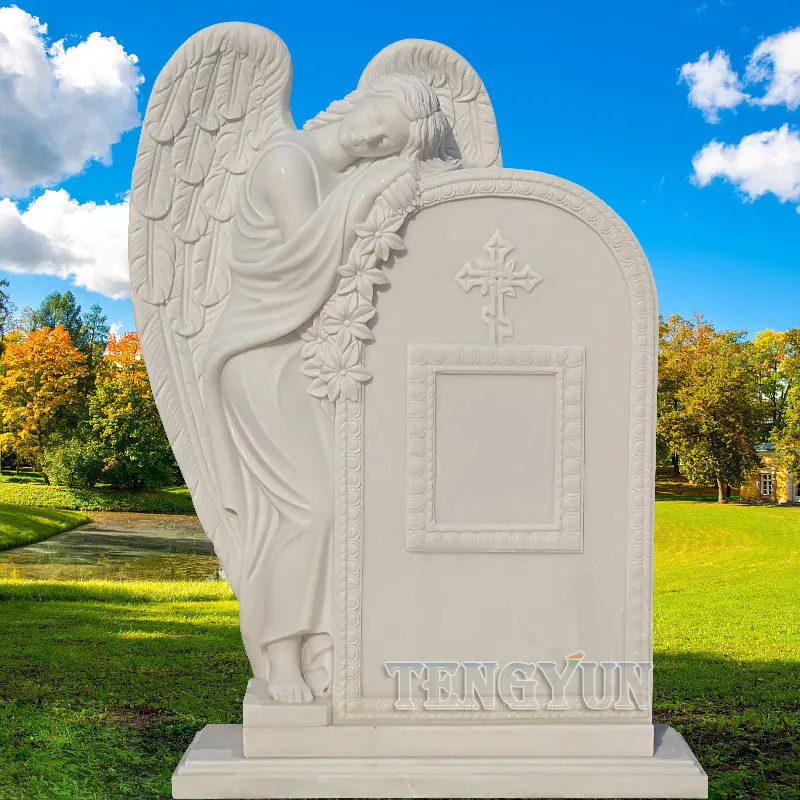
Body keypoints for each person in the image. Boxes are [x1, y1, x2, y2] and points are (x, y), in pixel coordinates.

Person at [203, 74, 458, 703]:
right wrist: (379, 187)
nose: (370, 133)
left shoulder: (341, 180)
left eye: (385, 143)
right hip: (260, 354)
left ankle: (326, 646)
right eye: (379, 115)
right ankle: (281, 656)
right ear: (363, 97)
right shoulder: (290, 161)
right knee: (310, 506)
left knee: (342, 502)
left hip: (310, 357)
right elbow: (307, 264)